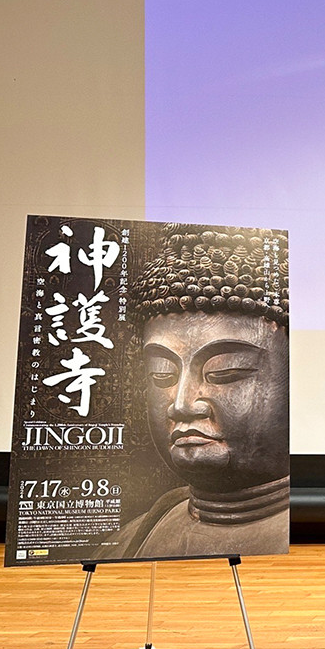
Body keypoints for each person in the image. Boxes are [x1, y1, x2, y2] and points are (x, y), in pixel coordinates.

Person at [108, 226, 290, 560]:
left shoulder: (303, 531)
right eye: (162, 375)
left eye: (225, 372)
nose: (182, 404)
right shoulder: (140, 533)